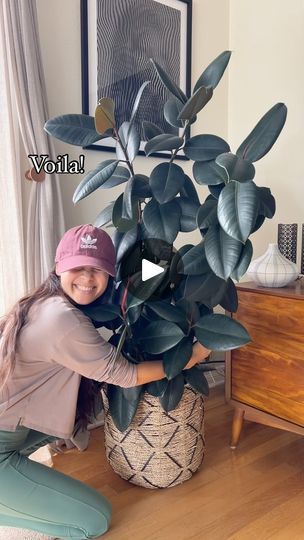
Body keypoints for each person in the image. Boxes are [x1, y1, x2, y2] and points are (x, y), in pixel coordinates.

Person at [0, 224, 210, 540]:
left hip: (9, 428)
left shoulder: (45, 300)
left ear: (110, 275)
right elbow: (125, 375)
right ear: (59, 267)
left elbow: (132, 291)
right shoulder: (62, 319)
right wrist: (194, 354)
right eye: (78, 267)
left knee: (68, 427)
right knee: (95, 520)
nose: (87, 278)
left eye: (98, 270)